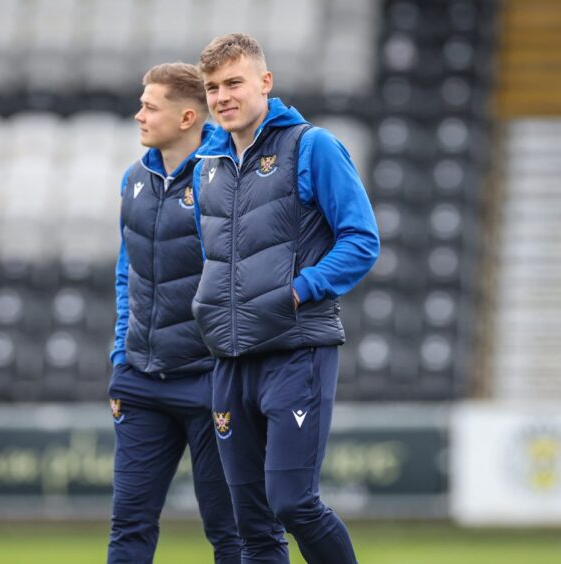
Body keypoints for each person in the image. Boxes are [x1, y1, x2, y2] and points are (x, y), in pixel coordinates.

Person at [191, 34, 380, 564]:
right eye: (212, 88)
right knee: (251, 524)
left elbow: (362, 239)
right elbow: (214, 259)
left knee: (293, 502)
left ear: (265, 83)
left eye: (233, 83)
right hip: (229, 359)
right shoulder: (208, 163)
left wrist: (299, 291)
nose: (222, 96)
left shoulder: (311, 146)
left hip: (295, 350)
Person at [108, 62, 240, 564]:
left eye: (150, 105)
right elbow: (127, 273)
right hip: (141, 380)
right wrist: (122, 353)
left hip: (210, 379)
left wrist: (228, 359)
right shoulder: (133, 177)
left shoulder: (225, 174)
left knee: (229, 529)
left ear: (188, 117)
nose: (138, 114)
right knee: (129, 525)